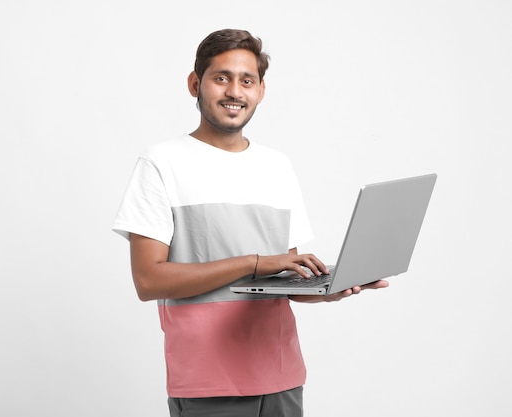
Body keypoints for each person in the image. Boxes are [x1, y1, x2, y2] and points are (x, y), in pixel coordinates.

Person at [112, 28, 388, 417]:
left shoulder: (277, 165)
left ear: (261, 90)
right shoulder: (161, 162)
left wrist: (331, 288)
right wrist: (254, 262)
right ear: (196, 84)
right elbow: (149, 281)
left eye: (247, 81)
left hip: (281, 373)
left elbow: (285, 282)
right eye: (221, 77)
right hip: (207, 380)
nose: (235, 92)